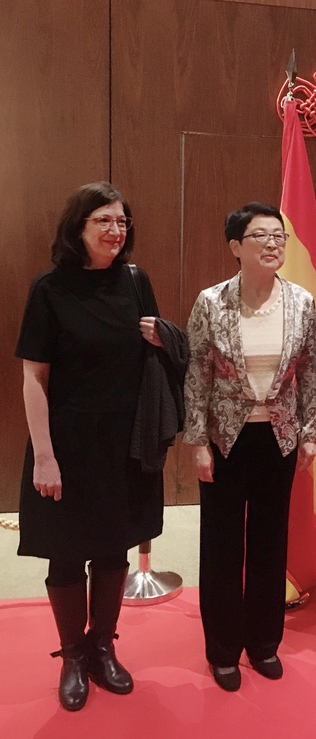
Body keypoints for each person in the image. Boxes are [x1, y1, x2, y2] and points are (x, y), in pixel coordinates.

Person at [15, 182, 177, 711]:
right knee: (65, 552)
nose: (115, 230)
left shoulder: (135, 282)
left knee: (113, 548)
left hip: (124, 440)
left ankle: (103, 646)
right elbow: (34, 377)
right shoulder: (50, 289)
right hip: (66, 442)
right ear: (78, 227)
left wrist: (163, 338)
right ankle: (72, 656)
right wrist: (44, 455)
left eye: (122, 221)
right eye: (103, 220)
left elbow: (154, 356)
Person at [183, 201, 316, 692]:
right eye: (260, 235)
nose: (273, 243)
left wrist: (310, 433)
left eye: (279, 235)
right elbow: (196, 374)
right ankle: (223, 649)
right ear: (236, 247)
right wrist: (197, 441)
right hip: (226, 436)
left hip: (278, 437)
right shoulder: (211, 302)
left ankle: (263, 643)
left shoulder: (301, 301)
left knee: (269, 541)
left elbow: (309, 372)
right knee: (222, 544)